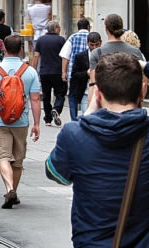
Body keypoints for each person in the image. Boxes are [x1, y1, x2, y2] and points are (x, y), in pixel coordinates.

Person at [45, 53, 149, 246]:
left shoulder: (74, 134)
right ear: (142, 92)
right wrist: (144, 65)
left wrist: (88, 112)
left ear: (98, 94)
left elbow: (55, 173)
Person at [0, 35, 42, 207]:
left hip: (0, 121)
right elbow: (35, 99)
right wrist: (37, 124)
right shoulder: (30, 72)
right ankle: (13, 192)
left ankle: (9, 188)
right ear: (21, 50)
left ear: (4, 49)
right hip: (21, 122)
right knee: (18, 161)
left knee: (3, 157)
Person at [31, 21, 68, 126]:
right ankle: (56, 109)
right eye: (59, 27)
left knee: (46, 96)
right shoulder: (61, 40)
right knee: (60, 93)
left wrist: (33, 70)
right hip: (57, 72)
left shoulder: (40, 40)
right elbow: (64, 56)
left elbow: (36, 56)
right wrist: (64, 72)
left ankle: (48, 119)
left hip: (44, 72)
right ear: (56, 29)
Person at [58, 18, 91, 117]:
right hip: (89, 71)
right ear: (89, 27)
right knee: (87, 94)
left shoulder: (73, 37)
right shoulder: (92, 36)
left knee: (73, 97)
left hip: (75, 72)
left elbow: (65, 56)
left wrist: (64, 72)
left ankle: (74, 119)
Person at [66, 32, 101, 119]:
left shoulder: (105, 55)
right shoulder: (80, 56)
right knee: (87, 114)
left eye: (97, 45)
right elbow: (74, 74)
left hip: (101, 90)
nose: (94, 48)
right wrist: (86, 73)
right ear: (87, 43)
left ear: (100, 42)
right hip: (86, 91)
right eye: (92, 45)